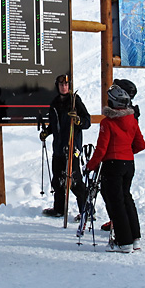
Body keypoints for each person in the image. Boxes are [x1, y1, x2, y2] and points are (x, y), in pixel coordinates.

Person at [85, 85, 145, 253]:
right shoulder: (132, 120)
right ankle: (135, 238)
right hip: (128, 164)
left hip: (113, 165)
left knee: (116, 203)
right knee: (126, 198)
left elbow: (101, 149)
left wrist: (90, 166)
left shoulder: (108, 123)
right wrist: (125, 151)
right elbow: (141, 144)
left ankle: (123, 241)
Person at [39, 73, 90, 219]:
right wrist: (47, 132)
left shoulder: (75, 101)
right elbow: (55, 125)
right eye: (61, 84)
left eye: (66, 84)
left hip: (72, 147)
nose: (64, 87)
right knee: (57, 181)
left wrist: (78, 120)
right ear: (58, 86)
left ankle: (86, 211)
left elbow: (87, 121)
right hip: (58, 148)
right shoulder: (55, 103)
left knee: (75, 181)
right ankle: (59, 209)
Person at [101, 78, 140, 232]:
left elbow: (105, 144)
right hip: (127, 161)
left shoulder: (119, 115)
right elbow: (139, 143)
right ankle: (130, 230)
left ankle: (120, 226)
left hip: (115, 161)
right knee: (123, 195)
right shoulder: (131, 113)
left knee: (115, 195)